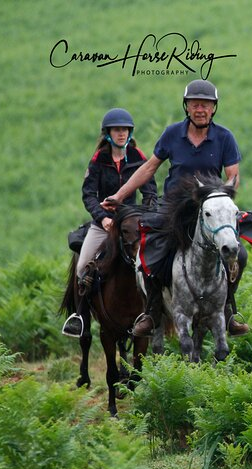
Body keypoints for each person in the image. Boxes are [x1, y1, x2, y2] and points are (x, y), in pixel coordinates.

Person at [101, 79, 250, 338]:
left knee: (241, 256)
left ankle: (227, 311)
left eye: (206, 105)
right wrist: (120, 195)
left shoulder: (225, 137)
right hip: (173, 210)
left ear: (214, 108)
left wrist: (223, 201)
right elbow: (149, 168)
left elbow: (232, 178)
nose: (200, 109)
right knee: (149, 253)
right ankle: (152, 311)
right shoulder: (172, 134)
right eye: (195, 104)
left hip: (209, 210)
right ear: (187, 107)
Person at [62, 108, 157, 337]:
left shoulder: (138, 157)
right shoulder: (99, 159)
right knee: (83, 265)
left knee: (155, 264)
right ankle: (80, 318)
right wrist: (102, 217)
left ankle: (156, 314)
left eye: (125, 129)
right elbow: (88, 195)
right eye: (117, 130)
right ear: (108, 134)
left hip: (131, 223)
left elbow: (150, 191)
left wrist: (142, 214)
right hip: (103, 223)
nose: (122, 133)